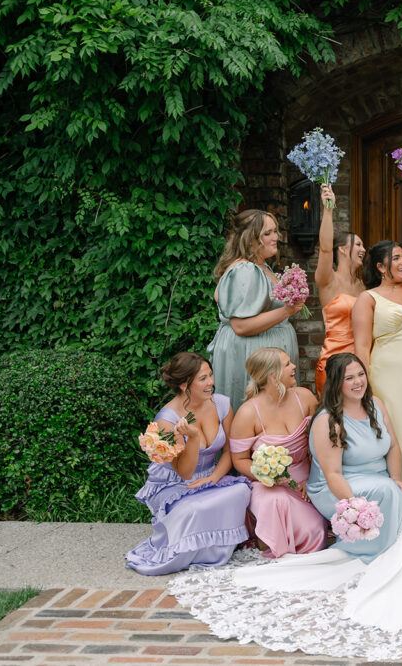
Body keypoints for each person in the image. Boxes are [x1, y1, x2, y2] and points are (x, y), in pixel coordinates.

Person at [168, 234, 402, 660]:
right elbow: (366, 356)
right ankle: (395, 531)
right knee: (401, 457)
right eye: (395, 256)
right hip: (391, 377)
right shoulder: (369, 315)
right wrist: (365, 384)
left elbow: (395, 447)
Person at [126, 353, 251, 575]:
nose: (211, 382)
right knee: (195, 508)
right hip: (174, 484)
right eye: (203, 379)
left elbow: (228, 451)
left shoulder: (222, 404)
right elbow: (184, 472)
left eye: (210, 375)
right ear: (185, 385)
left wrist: (214, 478)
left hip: (211, 475)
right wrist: (192, 438)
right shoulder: (166, 420)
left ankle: (213, 550)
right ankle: (190, 551)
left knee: (241, 490)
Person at [352, 182, 402, 481]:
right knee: (401, 434)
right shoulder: (367, 298)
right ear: (381, 267)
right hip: (388, 378)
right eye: (396, 258)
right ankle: (401, 492)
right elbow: (361, 348)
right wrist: (365, 390)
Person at [306, 353, 402, 562]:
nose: (358, 382)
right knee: (388, 492)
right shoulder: (328, 420)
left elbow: (393, 446)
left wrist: (396, 478)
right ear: (336, 383)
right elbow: (332, 474)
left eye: (361, 374)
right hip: (338, 487)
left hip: (379, 481)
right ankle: (385, 553)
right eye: (349, 378)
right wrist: (355, 507)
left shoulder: (375, 405)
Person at [228, 347, 327, 558]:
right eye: (288, 364)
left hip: (306, 478)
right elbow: (239, 459)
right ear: (273, 375)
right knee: (276, 502)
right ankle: (270, 544)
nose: (294, 367)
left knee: (314, 530)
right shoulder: (248, 413)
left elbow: (322, 443)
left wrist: (315, 479)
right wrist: (267, 475)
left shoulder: (305, 397)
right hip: (268, 484)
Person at [209, 209, 304, 414]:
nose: (276, 237)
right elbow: (241, 326)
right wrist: (287, 310)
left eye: (275, 231)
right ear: (250, 239)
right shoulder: (244, 270)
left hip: (268, 353)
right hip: (250, 352)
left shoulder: (263, 267)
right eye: (267, 233)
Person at [314, 184, 366, 396]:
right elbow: (325, 247)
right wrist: (328, 209)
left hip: (360, 364)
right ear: (342, 249)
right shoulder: (328, 280)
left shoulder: (364, 287)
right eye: (358, 245)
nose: (363, 249)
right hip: (333, 364)